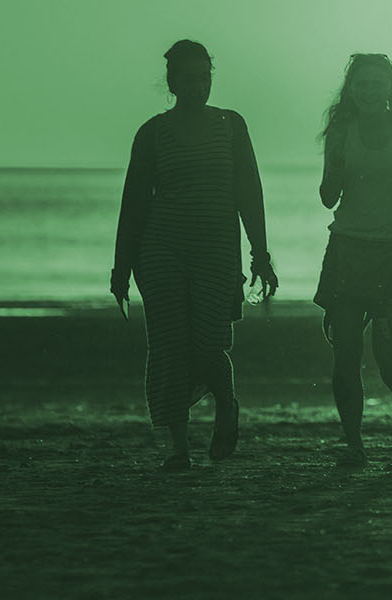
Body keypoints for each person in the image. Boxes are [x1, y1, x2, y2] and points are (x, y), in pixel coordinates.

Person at [112, 40, 278, 471]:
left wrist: (261, 255)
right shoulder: (153, 133)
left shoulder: (230, 126)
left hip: (217, 252)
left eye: (205, 77)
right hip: (162, 250)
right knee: (168, 346)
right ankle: (178, 447)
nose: (199, 86)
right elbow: (133, 204)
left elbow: (249, 193)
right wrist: (121, 268)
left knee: (209, 343)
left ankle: (227, 403)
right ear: (172, 83)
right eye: (189, 78)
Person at [315, 53, 392, 466]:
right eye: (361, 84)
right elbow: (328, 197)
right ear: (351, 90)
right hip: (348, 250)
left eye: (377, 83)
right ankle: (354, 445)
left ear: (390, 88)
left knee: (387, 353)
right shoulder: (340, 130)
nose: (369, 91)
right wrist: (334, 165)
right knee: (346, 354)